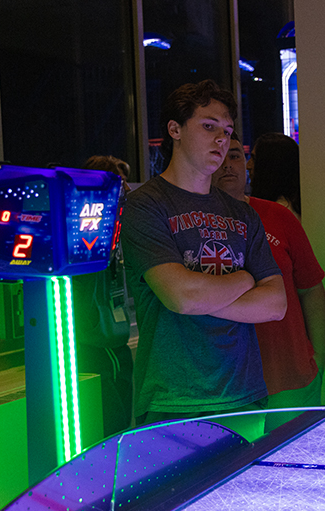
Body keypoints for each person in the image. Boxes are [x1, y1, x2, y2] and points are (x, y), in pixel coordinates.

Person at [120, 80, 286, 440]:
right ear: (175, 130)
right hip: (173, 399)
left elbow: (275, 304)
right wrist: (243, 280)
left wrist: (200, 296)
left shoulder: (240, 213)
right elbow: (182, 297)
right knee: (175, 498)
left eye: (227, 131)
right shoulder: (145, 206)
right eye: (208, 126)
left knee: (243, 496)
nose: (221, 140)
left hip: (244, 394)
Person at [215, 132, 325, 432]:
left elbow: (311, 289)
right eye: (220, 157)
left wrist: (317, 360)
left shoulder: (279, 216)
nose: (228, 165)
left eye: (236, 155)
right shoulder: (192, 226)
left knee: (297, 469)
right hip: (226, 387)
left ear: (247, 164)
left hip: (292, 377)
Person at [72, 155, 135, 436]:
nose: (125, 195)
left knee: (120, 426)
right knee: (109, 430)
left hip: (114, 339)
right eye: (117, 187)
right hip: (94, 344)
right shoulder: (84, 233)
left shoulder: (118, 233)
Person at [247, 132, 302, 218]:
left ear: (270, 167)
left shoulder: (277, 213)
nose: (248, 166)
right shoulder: (296, 207)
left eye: (254, 159)